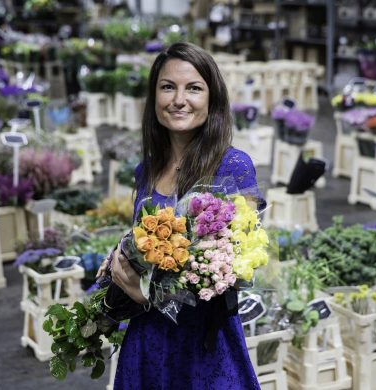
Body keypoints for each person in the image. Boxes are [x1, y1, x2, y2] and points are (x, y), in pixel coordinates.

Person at [99, 42, 262, 389]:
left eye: (194, 88)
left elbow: (237, 264)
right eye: (167, 86)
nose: (178, 99)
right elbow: (144, 244)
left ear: (212, 99)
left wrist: (151, 295)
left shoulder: (232, 166)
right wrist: (121, 261)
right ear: (154, 96)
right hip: (147, 340)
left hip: (203, 346)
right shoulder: (147, 169)